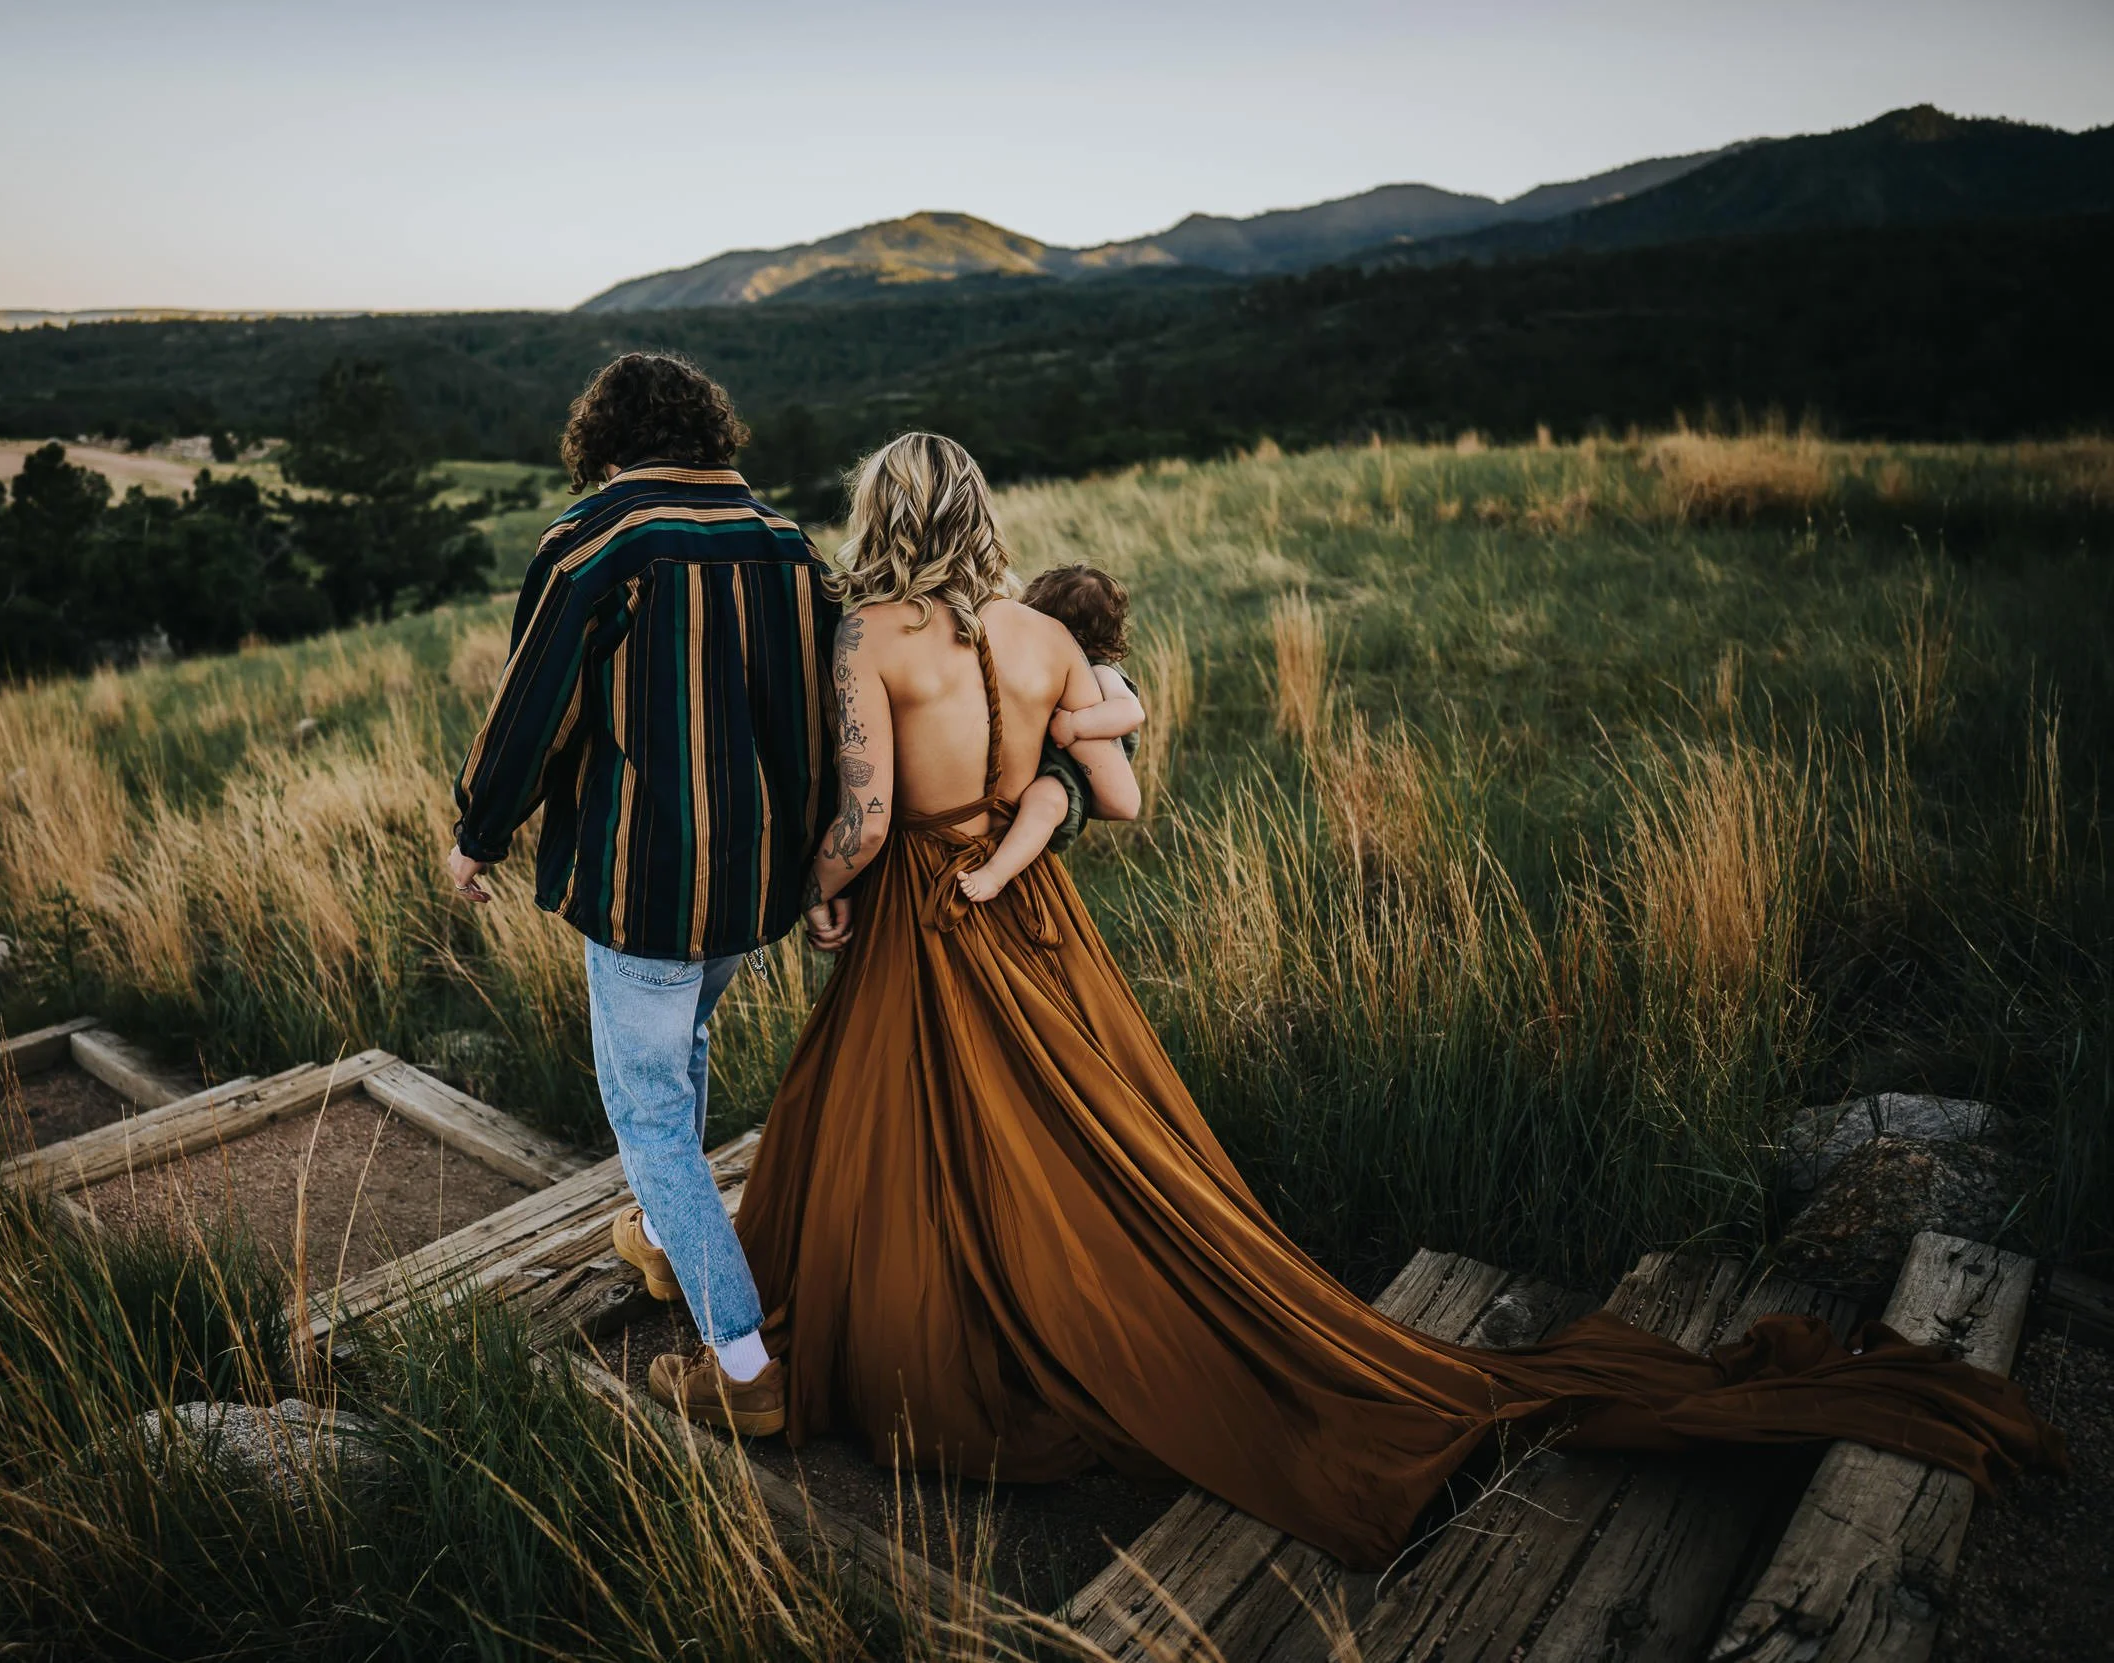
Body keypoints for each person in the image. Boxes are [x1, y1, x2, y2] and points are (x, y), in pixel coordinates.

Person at [661, 430, 2059, 1575]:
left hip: (923, 903)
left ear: (881, 517)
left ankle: (898, 1335)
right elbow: (1104, 779)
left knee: (896, 1128)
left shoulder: (867, 634)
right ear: (976, 510)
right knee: (1087, 1133)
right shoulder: (1036, 633)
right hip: (1031, 914)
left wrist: (827, 892)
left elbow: (859, 813)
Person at [447, 352, 838, 1434]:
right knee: (684, 1055)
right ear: (709, 434)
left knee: (649, 1114)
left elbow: (534, 710)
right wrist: (807, 874)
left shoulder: (594, 541)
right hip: (751, 886)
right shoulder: (789, 546)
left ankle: (746, 1366)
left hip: (641, 883)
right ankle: (664, 1244)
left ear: (603, 443)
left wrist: (477, 832)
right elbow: (812, 728)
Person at [956, 562, 1144, 904]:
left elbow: (1130, 712)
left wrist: (1075, 725)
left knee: (1046, 801)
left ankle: (995, 875)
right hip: (1050, 758)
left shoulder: (1101, 672)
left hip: (1069, 773)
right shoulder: (1047, 663)